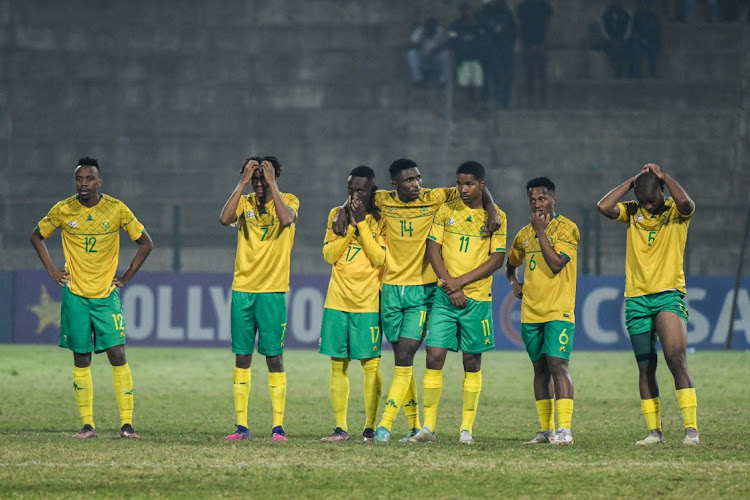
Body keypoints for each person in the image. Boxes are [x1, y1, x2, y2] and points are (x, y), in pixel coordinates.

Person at [333, 158, 501, 443]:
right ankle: (414, 425)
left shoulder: (434, 198)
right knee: (403, 362)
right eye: (409, 181)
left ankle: (384, 427)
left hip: (422, 291)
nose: (417, 185)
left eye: (418, 178)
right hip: (390, 289)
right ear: (394, 185)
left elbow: (474, 189)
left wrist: (492, 210)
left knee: (405, 356)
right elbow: (360, 193)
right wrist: (342, 210)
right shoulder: (384, 200)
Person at [30, 157, 154, 439]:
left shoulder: (116, 209)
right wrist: (51, 269)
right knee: (81, 358)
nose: (83, 183)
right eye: (79, 179)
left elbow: (146, 243)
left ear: (100, 182)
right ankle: (88, 426)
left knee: (118, 354)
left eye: (89, 179)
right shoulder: (63, 210)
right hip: (75, 295)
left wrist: (126, 277)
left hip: (106, 296)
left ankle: (127, 425)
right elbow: (36, 236)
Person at [596, 163, 699, 445]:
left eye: (652, 199)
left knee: (676, 359)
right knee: (645, 366)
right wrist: (633, 181)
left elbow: (687, 203)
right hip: (637, 298)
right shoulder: (632, 211)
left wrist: (663, 176)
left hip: (667, 293)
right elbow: (603, 207)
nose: (648, 205)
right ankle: (655, 432)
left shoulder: (675, 212)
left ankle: (691, 428)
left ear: (662, 191)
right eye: (644, 201)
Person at [410, 161, 506, 445]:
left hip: (477, 299)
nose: (463, 189)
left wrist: (459, 282)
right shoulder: (446, 210)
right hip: (445, 296)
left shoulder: (496, 217)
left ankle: (466, 429)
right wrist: (449, 284)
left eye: (469, 184)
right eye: (459, 183)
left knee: (471, 360)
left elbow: (496, 259)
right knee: (434, 356)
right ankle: (428, 427)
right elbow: (433, 249)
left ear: (482, 185)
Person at [220, 156, 298, 442]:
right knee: (242, 357)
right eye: (255, 179)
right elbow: (224, 219)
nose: (258, 185)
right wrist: (242, 182)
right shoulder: (245, 202)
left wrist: (272, 183)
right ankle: (242, 426)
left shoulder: (289, 200)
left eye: (262, 179)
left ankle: (278, 427)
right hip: (243, 290)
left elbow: (286, 219)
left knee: (274, 358)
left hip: (273, 292)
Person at [505, 177, 579, 445]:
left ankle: (565, 430)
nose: (537, 204)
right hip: (531, 313)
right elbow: (510, 263)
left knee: (558, 365)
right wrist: (514, 282)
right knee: (539, 369)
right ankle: (546, 430)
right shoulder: (524, 234)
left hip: (559, 310)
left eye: (543, 198)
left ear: (553, 199)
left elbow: (557, 263)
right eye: (533, 199)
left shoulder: (567, 229)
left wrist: (541, 233)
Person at [319, 166, 385, 442]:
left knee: (370, 366)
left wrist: (360, 224)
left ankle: (369, 428)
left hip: (367, 302)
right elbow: (328, 255)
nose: (355, 195)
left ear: (372, 191)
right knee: (338, 365)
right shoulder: (336, 214)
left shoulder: (382, 218)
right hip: (337, 301)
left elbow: (380, 258)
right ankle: (340, 428)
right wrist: (346, 230)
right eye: (351, 190)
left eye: (360, 190)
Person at [477, 0, 518, 109]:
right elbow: (481, 32)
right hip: (486, 52)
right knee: (486, 78)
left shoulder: (506, 14)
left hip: (504, 51)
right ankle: (485, 102)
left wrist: (507, 43)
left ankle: (503, 101)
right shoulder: (480, 15)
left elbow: (513, 31)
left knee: (504, 77)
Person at [450, 2, 486, 114]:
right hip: (463, 61)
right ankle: (462, 110)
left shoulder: (479, 25)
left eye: (469, 10)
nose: (467, 12)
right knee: (463, 87)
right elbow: (452, 42)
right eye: (464, 10)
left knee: (477, 87)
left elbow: (484, 41)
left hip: (477, 61)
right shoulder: (455, 25)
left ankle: (477, 110)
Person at [517, 0, 553, 107]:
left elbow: (548, 25)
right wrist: (524, 44)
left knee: (542, 75)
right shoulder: (523, 6)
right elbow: (520, 26)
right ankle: (530, 100)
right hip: (527, 44)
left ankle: (543, 101)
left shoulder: (545, 5)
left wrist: (544, 43)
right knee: (529, 75)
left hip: (541, 43)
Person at [407, 17, 452, 86]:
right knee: (412, 53)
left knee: (446, 54)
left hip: (436, 59)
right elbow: (412, 45)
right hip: (424, 59)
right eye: (428, 27)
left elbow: (447, 45)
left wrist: (436, 49)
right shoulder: (420, 31)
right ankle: (418, 79)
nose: (430, 29)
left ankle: (444, 80)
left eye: (432, 27)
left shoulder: (440, 31)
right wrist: (422, 36)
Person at [599, 1, 632, 78]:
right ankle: (616, 70)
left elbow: (629, 29)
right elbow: (602, 29)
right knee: (613, 49)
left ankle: (622, 71)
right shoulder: (604, 13)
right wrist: (610, 40)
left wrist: (623, 39)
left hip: (622, 40)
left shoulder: (626, 13)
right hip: (608, 40)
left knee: (624, 48)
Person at [630, 0, 662, 78]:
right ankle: (637, 73)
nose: (645, 6)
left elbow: (657, 32)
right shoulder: (637, 16)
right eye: (643, 4)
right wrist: (641, 40)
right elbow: (634, 30)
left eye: (647, 5)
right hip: (639, 40)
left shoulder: (655, 17)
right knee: (635, 48)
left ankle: (652, 73)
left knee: (652, 49)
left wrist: (649, 40)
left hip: (652, 41)